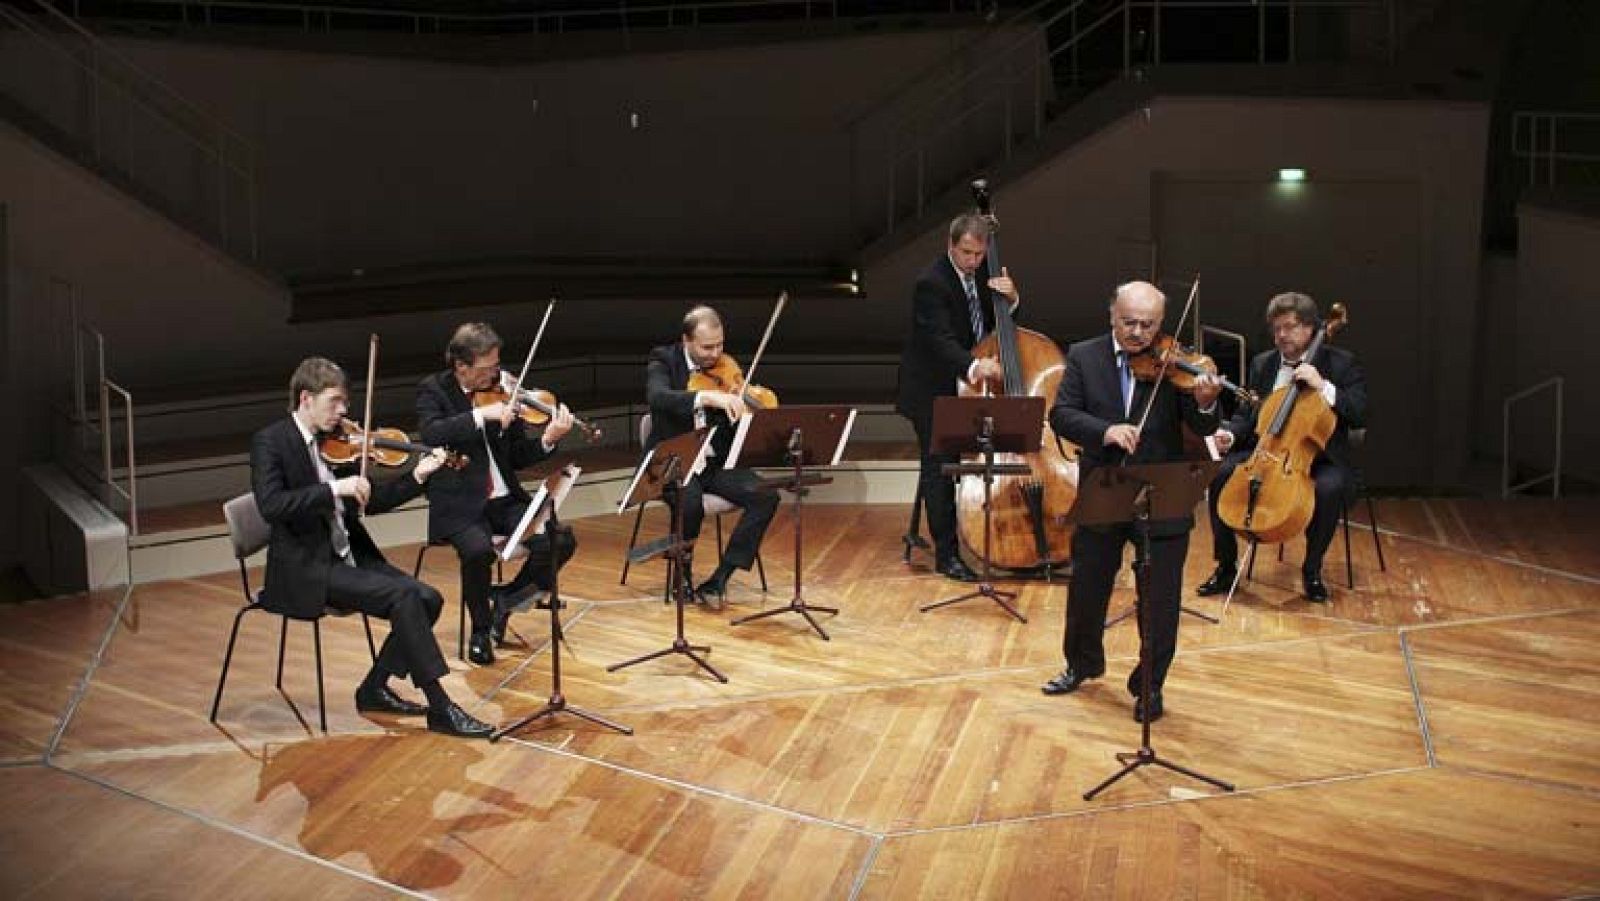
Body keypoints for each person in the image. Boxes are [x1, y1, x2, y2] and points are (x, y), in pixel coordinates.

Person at [251, 356, 492, 738]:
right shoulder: (272, 442)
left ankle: (374, 687)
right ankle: (441, 707)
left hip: (348, 556)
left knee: (427, 598)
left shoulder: (336, 444)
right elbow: (271, 505)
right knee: (403, 597)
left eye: (345, 402)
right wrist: (333, 489)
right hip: (306, 567)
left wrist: (417, 475)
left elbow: (370, 501)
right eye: (335, 402)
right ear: (305, 399)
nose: (344, 411)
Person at [1040, 282, 1221, 723]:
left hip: (1163, 487)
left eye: (1149, 324)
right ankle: (1082, 663)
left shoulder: (1178, 362)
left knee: (1160, 596)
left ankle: (1150, 684)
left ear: (1161, 323)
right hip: (1104, 484)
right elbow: (1062, 414)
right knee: (1087, 584)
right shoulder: (1084, 356)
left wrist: (1205, 402)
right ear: (1111, 316)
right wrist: (1106, 430)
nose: (1139, 332)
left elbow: (1201, 424)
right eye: (1129, 322)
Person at [416, 322, 577, 666]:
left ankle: (506, 599)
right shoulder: (434, 390)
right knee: (477, 552)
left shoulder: (505, 392)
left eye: (496, 365)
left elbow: (518, 456)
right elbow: (431, 432)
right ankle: (480, 629)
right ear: (462, 366)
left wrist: (548, 439)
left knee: (559, 540)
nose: (496, 373)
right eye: (487, 368)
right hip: (461, 504)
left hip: (504, 500)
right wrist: (480, 415)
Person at [1196, 292, 1368, 603]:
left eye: (1289, 327)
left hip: (1321, 457)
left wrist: (1323, 386)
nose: (1281, 335)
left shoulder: (1341, 364)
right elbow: (1247, 414)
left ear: (1311, 329)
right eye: (1276, 329)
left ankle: (1312, 570)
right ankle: (1225, 566)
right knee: (1220, 473)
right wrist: (1231, 436)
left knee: (1328, 489)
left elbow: (1359, 412)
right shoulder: (1264, 363)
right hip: (1269, 452)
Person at [895, 212, 1020, 581]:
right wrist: (974, 365)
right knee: (939, 467)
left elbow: (1004, 326)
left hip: (973, 388)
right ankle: (947, 555)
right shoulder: (930, 283)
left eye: (979, 254)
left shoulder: (985, 273)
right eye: (967, 253)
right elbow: (937, 341)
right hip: (933, 388)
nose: (974, 261)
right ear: (951, 245)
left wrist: (1011, 300)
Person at [644, 305, 779, 610]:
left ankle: (720, 578)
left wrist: (748, 409)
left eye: (719, 345)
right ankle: (683, 574)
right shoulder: (663, 360)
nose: (714, 353)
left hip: (714, 460)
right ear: (686, 341)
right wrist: (707, 397)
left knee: (765, 496)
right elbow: (658, 397)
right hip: (673, 460)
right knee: (689, 502)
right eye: (706, 347)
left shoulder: (725, 368)